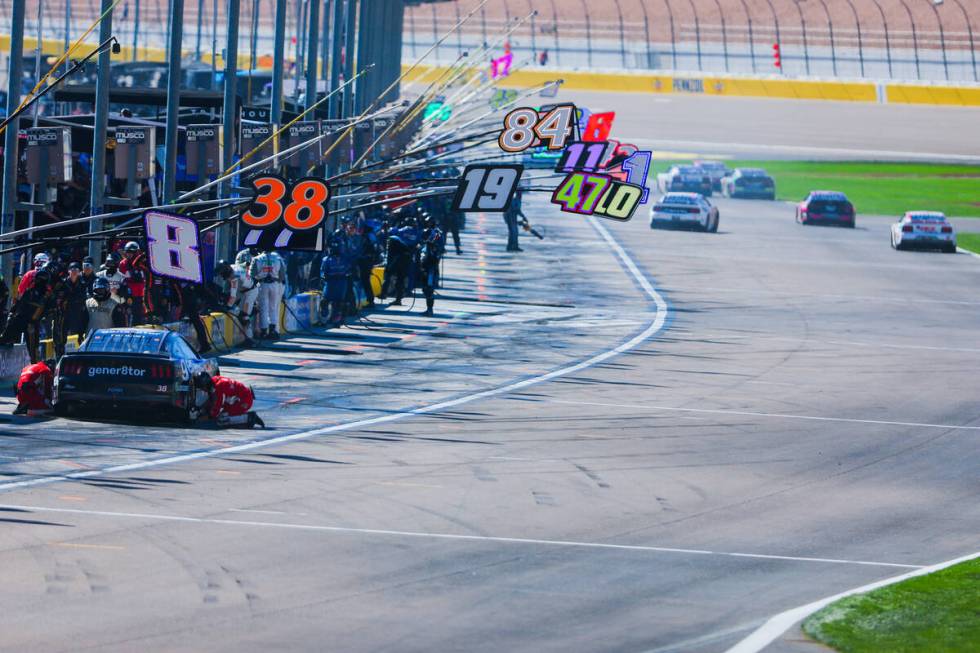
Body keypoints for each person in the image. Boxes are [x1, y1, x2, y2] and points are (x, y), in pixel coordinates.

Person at [0, 265, 50, 363]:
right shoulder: (29, 291)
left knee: (33, 349)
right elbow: (19, 302)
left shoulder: (46, 296)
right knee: (5, 338)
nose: (34, 282)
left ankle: (35, 366)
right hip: (20, 319)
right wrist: (12, 313)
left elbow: (48, 310)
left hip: (31, 324)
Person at [195, 372, 265, 428]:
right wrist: (202, 408)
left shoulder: (218, 387)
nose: (203, 390)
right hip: (239, 397)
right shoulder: (215, 379)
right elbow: (212, 399)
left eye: (202, 388)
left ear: (206, 384)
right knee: (223, 411)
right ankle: (239, 417)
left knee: (221, 419)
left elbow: (216, 407)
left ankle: (250, 417)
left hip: (245, 400)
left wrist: (207, 417)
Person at [249, 248, 286, 340]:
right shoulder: (278, 258)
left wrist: (257, 283)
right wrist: (277, 280)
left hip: (262, 284)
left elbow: (251, 275)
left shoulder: (257, 259)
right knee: (273, 307)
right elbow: (282, 275)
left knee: (263, 307)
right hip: (275, 284)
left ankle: (264, 331)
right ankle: (273, 330)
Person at [320, 240, 351, 326]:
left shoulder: (345, 259)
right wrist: (324, 277)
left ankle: (336, 320)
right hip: (331, 283)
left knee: (338, 303)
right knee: (325, 301)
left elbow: (349, 269)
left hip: (341, 283)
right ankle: (325, 319)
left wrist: (348, 274)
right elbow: (322, 272)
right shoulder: (327, 259)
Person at [419, 216, 445, 317]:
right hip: (426, 262)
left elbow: (439, 246)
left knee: (428, 288)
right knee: (425, 287)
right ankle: (429, 309)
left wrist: (433, 246)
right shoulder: (428, 232)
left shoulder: (437, 233)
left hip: (431, 263)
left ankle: (430, 310)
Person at [118, 241, 147, 325]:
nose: (129, 254)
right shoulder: (123, 263)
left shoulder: (143, 263)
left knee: (143, 316)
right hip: (130, 295)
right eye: (127, 252)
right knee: (130, 317)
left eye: (132, 252)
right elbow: (122, 280)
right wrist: (126, 295)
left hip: (142, 294)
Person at [97, 253, 130, 327]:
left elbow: (125, 295)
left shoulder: (122, 277)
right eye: (108, 262)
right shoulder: (99, 275)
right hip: (102, 304)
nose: (109, 265)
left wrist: (117, 291)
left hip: (116, 305)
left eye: (111, 263)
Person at [231, 254, 258, 344]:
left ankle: (249, 339)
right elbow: (245, 265)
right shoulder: (234, 267)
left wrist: (228, 306)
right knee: (242, 314)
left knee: (245, 315)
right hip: (246, 290)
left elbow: (233, 296)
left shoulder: (234, 276)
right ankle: (246, 338)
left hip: (251, 291)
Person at [60, 262, 89, 345]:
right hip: (65, 313)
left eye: (76, 270)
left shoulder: (83, 283)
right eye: (72, 270)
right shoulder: (63, 283)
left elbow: (83, 298)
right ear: (68, 271)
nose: (74, 272)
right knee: (64, 335)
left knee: (79, 336)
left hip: (78, 313)